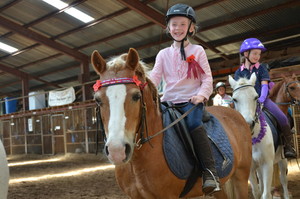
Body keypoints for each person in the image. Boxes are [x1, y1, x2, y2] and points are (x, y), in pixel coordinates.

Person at [150, 3, 220, 195]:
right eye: (174, 24)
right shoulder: (163, 54)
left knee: (194, 125)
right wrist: (140, 86)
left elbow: (207, 78)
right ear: (168, 28)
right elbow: (154, 78)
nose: (178, 28)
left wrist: (202, 95)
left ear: (191, 27)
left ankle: (209, 172)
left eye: (182, 24)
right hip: (168, 102)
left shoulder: (198, 51)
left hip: (191, 103)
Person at [234, 38, 296, 158]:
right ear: (246, 54)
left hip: (264, 100)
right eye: (255, 53)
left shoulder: (261, 69)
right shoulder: (238, 72)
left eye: (259, 54)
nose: (257, 56)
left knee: (283, 118)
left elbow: (264, 85)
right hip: (246, 103)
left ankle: (288, 146)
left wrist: (262, 98)